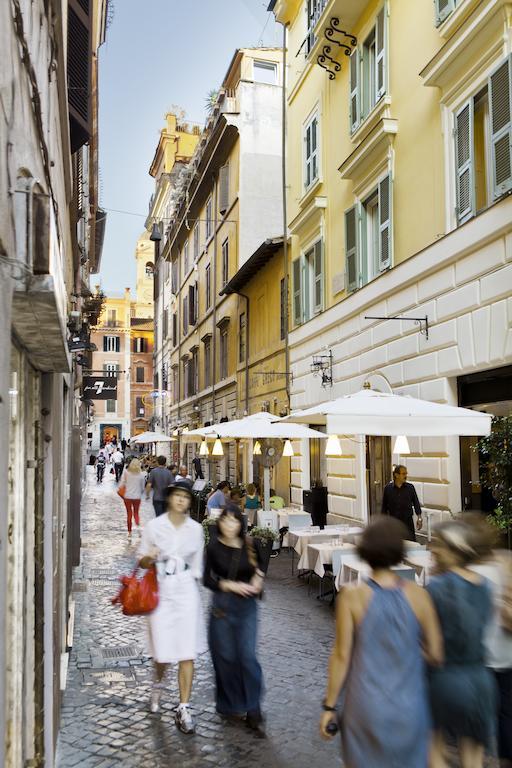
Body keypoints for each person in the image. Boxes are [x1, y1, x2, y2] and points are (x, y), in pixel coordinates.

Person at [320, 516, 443, 767]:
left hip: (365, 705)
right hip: (409, 704)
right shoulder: (420, 596)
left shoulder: (351, 598)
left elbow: (341, 656)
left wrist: (329, 706)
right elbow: (437, 654)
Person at [427, 519, 498, 768]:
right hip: (480, 680)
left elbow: (433, 651)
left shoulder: (436, 588)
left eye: (437, 545)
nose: (432, 549)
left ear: (454, 550)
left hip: (445, 679)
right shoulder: (486, 586)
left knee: (433, 753)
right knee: (473, 761)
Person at [138, 482, 206, 733]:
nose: (180, 500)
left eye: (184, 497)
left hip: (186, 592)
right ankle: (157, 684)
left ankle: (184, 705)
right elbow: (142, 560)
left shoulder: (196, 530)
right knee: (162, 652)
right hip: (161, 591)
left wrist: (189, 579)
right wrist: (151, 557)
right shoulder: (155, 527)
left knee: (187, 651)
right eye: (176, 496)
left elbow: (198, 564)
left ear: (189, 501)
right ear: (169, 499)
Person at [204, 504, 265, 734]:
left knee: (247, 656)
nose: (230, 525)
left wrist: (258, 580)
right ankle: (231, 702)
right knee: (226, 657)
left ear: (241, 523)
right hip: (222, 607)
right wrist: (229, 584)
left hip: (247, 608)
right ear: (220, 523)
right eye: (226, 520)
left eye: (234, 521)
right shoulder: (213, 548)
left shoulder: (250, 544)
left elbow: (260, 568)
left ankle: (253, 706)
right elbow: (206, 580)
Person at [469, 516, 512, 768]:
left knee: (478, 718)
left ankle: (478, 757)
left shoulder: (471, 574)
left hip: (481, 655)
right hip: (507, 652)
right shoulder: (506, 561)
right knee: (507, 711)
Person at [381, 464, 422, 541]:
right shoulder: (388, 488)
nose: (405, 476)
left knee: (410, 544)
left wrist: (419, 518)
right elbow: (384, 507)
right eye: (403, 474)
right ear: (396, 475)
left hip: (408, 522)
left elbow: (416, 503)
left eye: (406, 473)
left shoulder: (410, 488)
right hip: (394, 522)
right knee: (395, 544)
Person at [119, 458, 145, 539]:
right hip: (137, 497)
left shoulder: (126, 473)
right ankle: (139, 531)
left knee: (129, 514)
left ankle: (129, 532)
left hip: (127, 496)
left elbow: (121, 484)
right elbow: (142, 487)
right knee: (136, 514)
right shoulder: (141, 474)